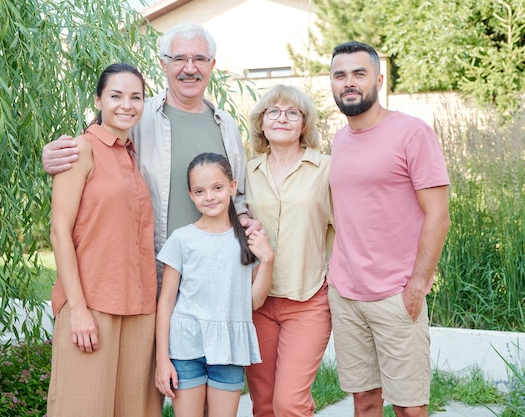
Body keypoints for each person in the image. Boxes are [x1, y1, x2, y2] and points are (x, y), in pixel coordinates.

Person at [41, 24, 259, 287]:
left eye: (199, 59)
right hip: (152, 267)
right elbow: (94, 149)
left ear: (212, 65)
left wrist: (244, 219)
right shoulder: (136, 115)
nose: (190, 68)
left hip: (215, 268)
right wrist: (54, 154)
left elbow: (238, 195)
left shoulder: (227, 125)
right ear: (163, 64)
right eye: (179, 59)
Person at [327, 41, 451, 417]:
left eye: (359, 74)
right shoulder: (339, 139)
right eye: (340, 75)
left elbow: (439, 216)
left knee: (409, 408)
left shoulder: (412, 133)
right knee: (364, 403)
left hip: (396, 295)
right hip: (346, 294)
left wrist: (417, 285)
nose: (349, 83)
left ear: (379, 79)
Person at [47, 63, 163, 417]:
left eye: (136, 97)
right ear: (98, 99)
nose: (126, 105)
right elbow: (59, 233)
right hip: (93, 304)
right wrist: (78, 310)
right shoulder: (80, 150)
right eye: (116, 96)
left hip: (141, 307)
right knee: (82, 408)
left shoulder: (131, 154)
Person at [154, 152, 274, 417]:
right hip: (186, 348)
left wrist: (268, 261)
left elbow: (254, 301)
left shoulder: (245, 239)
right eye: (200, 191)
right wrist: (162, 359)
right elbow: (166, 301)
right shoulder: (182, 239)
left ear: (232, 187)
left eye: (217, 188)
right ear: (190, 195)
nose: (209, 197)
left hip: (228, 349)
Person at [244, 85, 334, 417]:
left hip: (307, 300)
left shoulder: (326, 169)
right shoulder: (246, 172)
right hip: (257, 303)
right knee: (263, 404)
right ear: (261, 123)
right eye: (273, 111)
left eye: (292, 112)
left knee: (290, 403)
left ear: (304, 124)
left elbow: (345, 229)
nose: (282, 118)